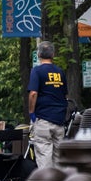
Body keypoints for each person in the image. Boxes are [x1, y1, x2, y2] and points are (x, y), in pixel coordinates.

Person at [27, 41, 68, 169]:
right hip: (59, 120)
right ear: (53, 54)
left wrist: (32, 113)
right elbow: (65, 95)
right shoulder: (60, 72)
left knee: (44, 155)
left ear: (39, 54)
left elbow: (33, 93)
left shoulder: (37, 71)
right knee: (59, 157)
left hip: (43, 119)